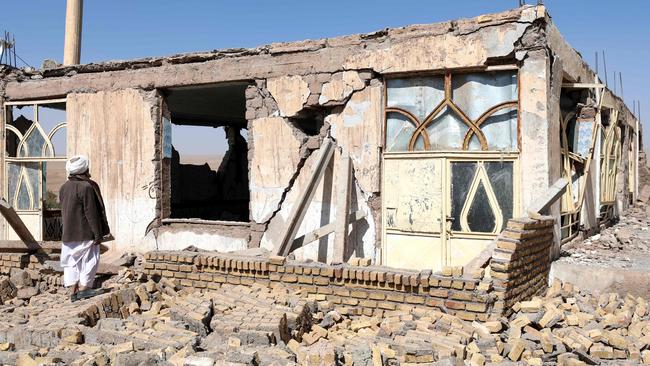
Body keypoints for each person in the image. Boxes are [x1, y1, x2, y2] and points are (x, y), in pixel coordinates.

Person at [59, 155, 110, 301]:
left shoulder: (64, 187)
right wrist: (98, 234)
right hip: (85, 233)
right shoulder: (86, 187)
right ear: (84, 169)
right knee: (90, 260)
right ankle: (84, 289)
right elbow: (91, 212)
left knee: (71, 263)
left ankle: (73, 291)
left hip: (68, 234)